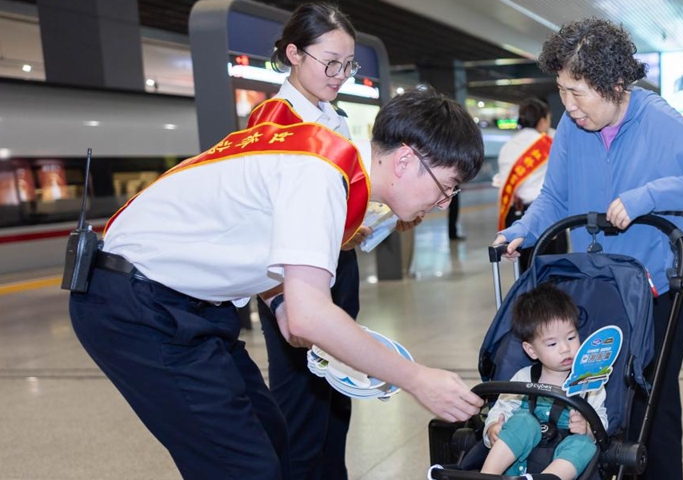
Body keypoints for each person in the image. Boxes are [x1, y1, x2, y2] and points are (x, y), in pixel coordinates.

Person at [68, 84, 485, 478]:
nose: (442, 202)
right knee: (244, 468)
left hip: (184, 305)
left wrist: (281, 303)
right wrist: (416, 379)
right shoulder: (320, 177)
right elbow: (311, 317)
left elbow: (259, 246)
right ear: (406, 161)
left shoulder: (328, 170)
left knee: (272, 436)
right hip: (137, 305)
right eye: (446, 187)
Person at [492, 18, 683, 480]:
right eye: (561, 91)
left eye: (578, 92)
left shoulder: (657, 119)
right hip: (601, 285)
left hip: (659, 288)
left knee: (652, 403)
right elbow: (556, 196)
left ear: (616, 84)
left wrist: (649, 196)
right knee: (598, 399)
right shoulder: (571, 125)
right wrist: (522, 228)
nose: (569, 105)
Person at [256, 5, 389, 479]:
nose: (340, 75)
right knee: (302, 411)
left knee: (336, 400)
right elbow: (267, 222)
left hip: (336, 268)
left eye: (348, 65)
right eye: (330, 62)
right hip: (293, 279)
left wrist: (355, 225)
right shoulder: (273, 121)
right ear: (293, 53)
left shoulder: (333, 116)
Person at [481, 283, 607, 479]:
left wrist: (588, 429)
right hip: (515, 467)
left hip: (561, 460)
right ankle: (487, 476)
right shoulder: (523, 378)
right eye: (552, 343)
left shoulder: (589, 382)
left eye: (571, 337)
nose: (565, 348)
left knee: (584, 444)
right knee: (522, 421)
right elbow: (500, 410)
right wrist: (492, 429)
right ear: (531, 350)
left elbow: (603, 424)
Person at [494, 97, 566, 270]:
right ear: (542, 121)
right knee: (551, 273)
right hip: (545, 214)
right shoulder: (550, 141)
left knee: (523, 272)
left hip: (516, 217)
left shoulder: (507, 146)